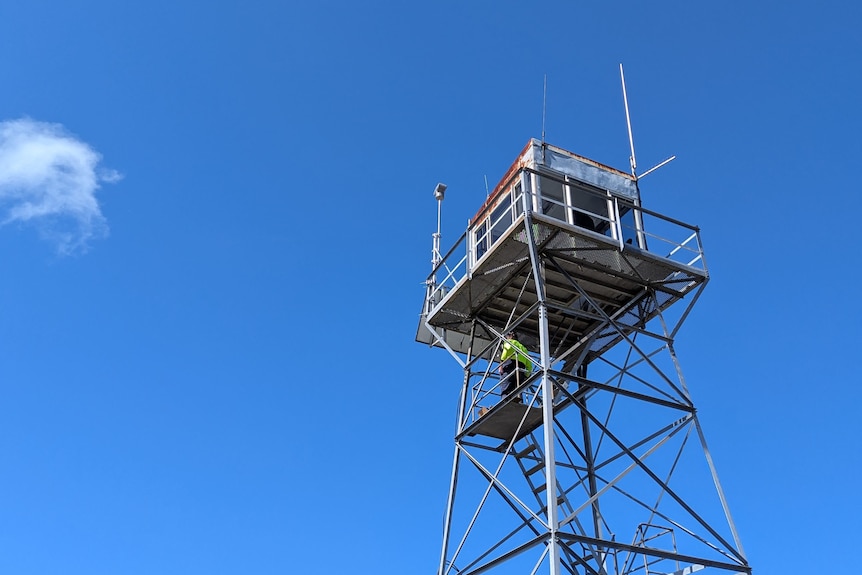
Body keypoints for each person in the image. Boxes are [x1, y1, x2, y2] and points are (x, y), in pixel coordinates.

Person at [498, 331, 532, 402]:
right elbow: (529, 364)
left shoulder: (509, 342)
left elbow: (506, 350)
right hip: (521, 369)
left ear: (510, 336)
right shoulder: (523, 348)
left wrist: (501, 363)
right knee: (517, 387)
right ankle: (517, 401)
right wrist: (526, 375)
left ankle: (505, 400)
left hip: (510, 365)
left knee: (505, 384)